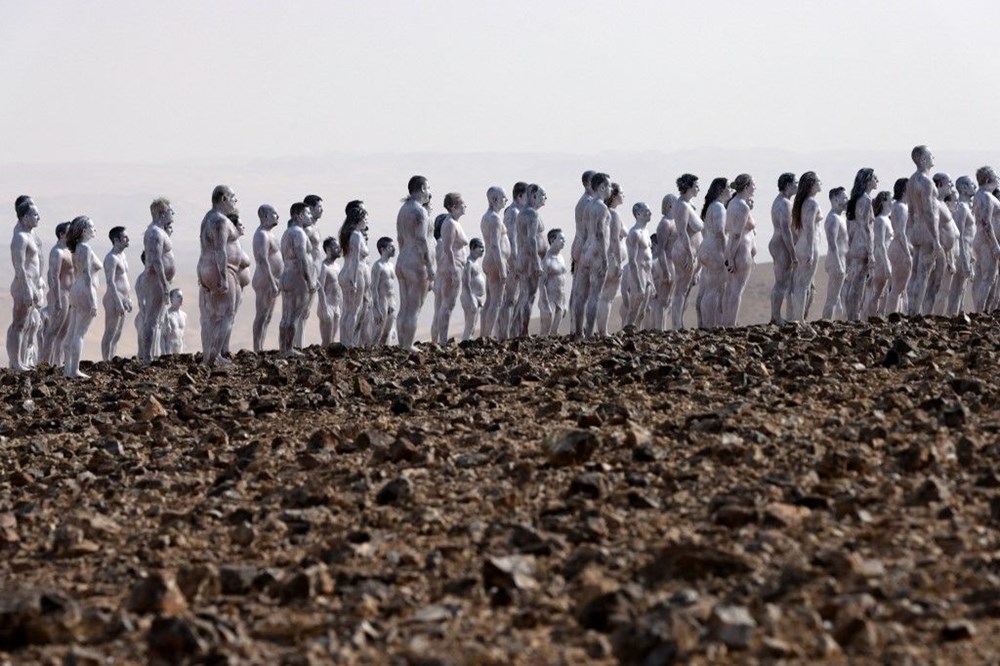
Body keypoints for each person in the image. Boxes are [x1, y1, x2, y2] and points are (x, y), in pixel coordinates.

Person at [197, 185, 244, 366]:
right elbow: (220, 250)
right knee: (226, 314)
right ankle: (213, 357)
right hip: (219, 270)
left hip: (206, 269)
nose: (235, 201)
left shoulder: (208, 218)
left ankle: (210, 355)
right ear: (223, 199)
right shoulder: (220, 221)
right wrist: (224, 277)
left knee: (212, 315)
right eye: (233, 197)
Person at [396, 176, 434, 350]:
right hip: (416, 262)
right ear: (422, 188)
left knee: (404, 307)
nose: (429, 192)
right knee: (414, 308)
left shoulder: (403, 209)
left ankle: (403, 343)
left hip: (403, 259)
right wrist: (429, 266)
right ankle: (408, 344)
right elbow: (422, 239)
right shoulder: (420, 211)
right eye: (428, 188)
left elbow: (400, 238)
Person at [7, 198, 44, 370]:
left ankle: (21, 360)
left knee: (27, 324)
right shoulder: (20, 237)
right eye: (34, 215)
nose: (38, 218)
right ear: (24, 217)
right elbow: (20, 265)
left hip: (31, 286)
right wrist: (28, 288)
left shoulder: (29, 235)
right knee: (19, 325)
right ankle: (16, 362)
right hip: (23, 286)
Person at [63, 216, 101, 379]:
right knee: (79, 333)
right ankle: (74, 370)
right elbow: (87, 275)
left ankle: (68, 370)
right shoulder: (85, 248)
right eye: (92, 227)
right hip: (85, 290)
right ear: (84, 231)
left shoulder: (77, 248)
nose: (95, 230)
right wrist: (93, 301)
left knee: (72, 332)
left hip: (76, 290)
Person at [905, 146, 942, 316]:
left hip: (916, 230)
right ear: (923, 159)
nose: (933, 156)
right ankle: (915, 313)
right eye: (930, 154)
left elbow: (911, 210)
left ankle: (911, 309)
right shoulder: (926, 181)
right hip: (927, 230)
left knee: (915, 274)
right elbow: (930, 211)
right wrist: (936, 238)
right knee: (923, 274)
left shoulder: (912, 180)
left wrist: (911, 229)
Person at [138, 198, 175, 364]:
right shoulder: (154, 233)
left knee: (155, 319)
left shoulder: (160, 231)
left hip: (160, 280)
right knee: (151, 320)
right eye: (169, 210)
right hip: (155, 280)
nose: (171, 213)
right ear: (161, 213)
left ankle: (150, 355)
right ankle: (147, 357)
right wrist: (164, 283)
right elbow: (156, 260)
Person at [278, 202, 316, 356]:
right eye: (308, 213)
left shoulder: (287, 233)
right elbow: (302, 258)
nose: (310, 216)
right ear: (300, 215)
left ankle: (284, 348)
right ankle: (288, 348)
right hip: (297, 277)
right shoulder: (299, 233)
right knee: (294, 316)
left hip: (287, 275)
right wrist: (309, 279)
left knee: (286, 315)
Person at [720, 174, 757, 327]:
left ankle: (727, 322)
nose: (755, 188)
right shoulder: (742, 206)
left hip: (733, 249)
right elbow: (736, 234)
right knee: (737, 290)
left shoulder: (733, 203)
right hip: (741, 250)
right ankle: (731, 323)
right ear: (747, 186)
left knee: (731, 289)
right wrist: (731, 258)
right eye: (753, 185)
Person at [433, 193, 470, 344]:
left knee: (446, 305)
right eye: (462, 203)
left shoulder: (454, 223)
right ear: (454, 207)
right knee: (447, 305)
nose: (465, 206)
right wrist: (454, 271)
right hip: (452, 268)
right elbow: (447, 249)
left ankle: (441, 339)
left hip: (454, 267)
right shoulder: (449, 224)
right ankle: (442, 341)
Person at [511, 185, 547, 338]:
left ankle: (518, 329)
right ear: (533, 196)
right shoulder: (532, 214)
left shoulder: (522, 214)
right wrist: (537, 261)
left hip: (523, 258)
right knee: (529, 297)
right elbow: (532, 239)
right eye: (542, 195)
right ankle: (523, 330)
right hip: (530, 259)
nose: (545, 198)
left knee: (524, 296)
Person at [843, 168, 878, 321]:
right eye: (874, 178)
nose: (877, 180)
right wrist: (871, 252)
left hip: (855, 245)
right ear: (867, 181)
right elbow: (866, 227)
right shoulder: (866, 200)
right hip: (862, 246)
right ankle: (854, 316)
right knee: (858, 284)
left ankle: (853, 315)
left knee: (855, 283)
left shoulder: (857, 199)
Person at [670, 174, 703, 330]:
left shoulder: (688, 204)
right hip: (685, 251)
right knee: (681, 290)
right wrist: (690, 254)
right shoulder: (682, 205)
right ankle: (676, 325)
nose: (698, 189)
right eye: (696, 186)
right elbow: (682, 232)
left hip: (691, 252)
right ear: (689, 187)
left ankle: (680, 322)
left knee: (687, 289)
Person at [696, 178, 731, 328]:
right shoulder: (719, 208)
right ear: (722, 190)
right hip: (714, 250)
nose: (731, 190)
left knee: (709, 289)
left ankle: (707, 323)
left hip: (706, 248)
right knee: (713, 289)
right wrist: (726, 254)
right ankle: (709, 325)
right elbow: (720, 233)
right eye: (729, 187)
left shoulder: (711, 206)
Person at [581, 173, 612, 337]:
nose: (611, 189)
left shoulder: (589, 206)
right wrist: (605, 259)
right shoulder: (601, 207)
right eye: (609, 186)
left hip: (588, 249)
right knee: (595, 294)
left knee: (592, 293)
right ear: (602, 187)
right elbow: (600, 234)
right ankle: (590, 332)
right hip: (598, 252)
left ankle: (589, 330)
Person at [790, 172, 822, 321]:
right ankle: (799, 319)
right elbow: (809, 227)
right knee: (804, 284)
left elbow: (796, 227)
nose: (820, 183)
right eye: (818, 181)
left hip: (803, 244)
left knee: (801, 283)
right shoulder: (811, 203)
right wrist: (810, 250)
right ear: (811, 185)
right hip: (809, 246)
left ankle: (798, 317)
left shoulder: (803, 203)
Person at [338, 205, 373, 347]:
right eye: (365, 218)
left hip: (345, 272)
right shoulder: (357, 235)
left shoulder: (346, 234)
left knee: (347, 310)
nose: (366, 221)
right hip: (355, 272)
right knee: (354, 310)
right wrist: (354, 280)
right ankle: (349, 341)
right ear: (358, 219)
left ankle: (345, 340)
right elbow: (356, 259)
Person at [40, 221, 72, 366]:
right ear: (62, 234)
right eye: (69, 232)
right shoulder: (57, 252)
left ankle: (57, 364)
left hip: (70, 295)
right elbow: (54, 276)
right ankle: (44, 363)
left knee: (63, 333)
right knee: (53, 332)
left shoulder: (69, 251)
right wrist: (57, 299)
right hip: (61, 294)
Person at [497, 182, 526, 340]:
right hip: (513, 262)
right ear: (520, 196)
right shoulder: (514, 213)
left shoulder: (517, 212)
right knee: (509, 300)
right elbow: (512, 241)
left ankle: (513, 333)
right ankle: (505, 335)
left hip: (517, 261)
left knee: (515, 300)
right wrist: (515, 263)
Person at [251, 204, 283, 352]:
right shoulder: (262, 235)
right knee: (262, 315)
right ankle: (257, 348)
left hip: (273, 280)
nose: (277, 216)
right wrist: (271, 281)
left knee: (268, 316)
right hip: (265, 279)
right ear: (264, 216)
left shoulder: (270, 234)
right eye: (274, 213)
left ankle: (261, 346)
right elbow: (263, 260)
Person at [595, 183, 626, 335]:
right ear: (614, 196)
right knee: (607, 297)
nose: (623, 195)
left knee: (605, 296)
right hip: (613, 258)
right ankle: (603, 330)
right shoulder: (613, 214)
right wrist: (619, 263)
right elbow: (614, 239)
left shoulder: (608, 212)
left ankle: (602, 329)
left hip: (608, 256)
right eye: (621, 193)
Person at [479, 187, 509, 338]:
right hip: (496, 262)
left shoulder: (486, 217)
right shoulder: (495, 219)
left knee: (489, 301)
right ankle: (487, 335)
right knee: (496, 302)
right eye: (503, 197)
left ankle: (484, 334)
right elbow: (495, 244)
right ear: (494, 199)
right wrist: (502, 268)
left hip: (490, 261)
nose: (506, 200)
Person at [927, 176, 959, 315]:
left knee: (942, 289)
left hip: (947, 253)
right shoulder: (934, 204)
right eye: (949, 183)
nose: (951, 185)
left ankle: (937, 316)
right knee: (935, 288)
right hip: (939, 252)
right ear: (939, 184)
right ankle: (928, 316)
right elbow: (935, 230)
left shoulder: (942, 204)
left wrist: (951, 258)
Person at [769, 173, 798, 323]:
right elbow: (786, 230)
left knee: (781, 282)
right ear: (788, 185)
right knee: (781, 282)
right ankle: (776, 317)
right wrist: (793, 254)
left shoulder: (781, 201)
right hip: (781, 244)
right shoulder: (785, 203)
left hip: (778, 243)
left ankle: (776, 315)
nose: (797, 186)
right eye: (795, 183)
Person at [569, 171, 596, 334]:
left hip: (582, 246)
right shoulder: (587, 202)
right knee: (582, 292)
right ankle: (577, 329)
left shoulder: (588, 201)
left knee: (582, 291)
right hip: (584, 247)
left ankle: (578, 327)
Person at [101, 226, 132, 361]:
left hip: (123, 298)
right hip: (113, 298)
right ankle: (106, 360)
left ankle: (112, 358)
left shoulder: (122, 256)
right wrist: (118, 301)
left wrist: (128, 298)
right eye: (124, 237)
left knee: (117, 333)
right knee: (110, 331)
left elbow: (124, 279)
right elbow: (110, 282)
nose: (127, 239)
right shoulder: (111, 258)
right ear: (116, 240)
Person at [972, 167, 1000, 312]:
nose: (998, 181)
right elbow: (986, 222)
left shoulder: (980, 195)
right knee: (988, 278)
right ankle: (980, 311)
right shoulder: (986, 196)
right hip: (986, 241)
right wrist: (995, 245)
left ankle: (983, 310)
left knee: (985, 277)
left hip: (982, 240)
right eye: (996, 178)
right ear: (988, 180)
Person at [622, 202, 654, 328]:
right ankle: (627, 331)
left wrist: (650, 280)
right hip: (638, 273)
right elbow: (632, 260)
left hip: (647, 272)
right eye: (647, 211)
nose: (650, 213)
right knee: (634, 307)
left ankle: (637, 333)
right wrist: (638, 282)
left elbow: (649, 257)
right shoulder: (634, 233)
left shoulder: (645, 231)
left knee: (643, 310)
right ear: (638, 214)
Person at [948, 176, 976, 315]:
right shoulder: (962, 208)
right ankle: (952, 317)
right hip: (961, 252)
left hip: (967, 252)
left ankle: (957, 315)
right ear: (963, 188)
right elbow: (959, 235)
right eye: (972, 184)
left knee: (962, 289)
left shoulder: (967, 208)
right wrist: (964, 260)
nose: (975, 186)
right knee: (957, 289)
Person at [863, 191, 894, 317]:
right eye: (890, 200)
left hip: (887, 258)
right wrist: (886, 264)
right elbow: (880, 243)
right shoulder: (880, 220)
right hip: (881, 259)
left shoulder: (886, 219)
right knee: (877, 292)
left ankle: (879, 316)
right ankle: (870, 317)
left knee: (884, 293)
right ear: (883, 202)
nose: (893, 202)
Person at [822, 188, 849, 320]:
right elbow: (832, 242)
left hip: (842, 259)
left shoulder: (840, 217)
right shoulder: (833, 218)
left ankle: (836, 322)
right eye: (844, 198)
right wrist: (838, 262)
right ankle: (826, 322)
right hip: (836, 261)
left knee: (838, 297)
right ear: (835, 199)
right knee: (832, 297)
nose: (846, 201)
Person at [652, 194, 678, 330]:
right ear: (670, 205)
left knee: (668, 300)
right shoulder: (665, 223)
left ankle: (663, 327)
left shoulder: (674, 222)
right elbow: (661, 249)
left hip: (673, 262)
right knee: (662, 299)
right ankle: (659, 329)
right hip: (666, 263)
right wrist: (665, 270)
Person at [886, 178, 911, 314]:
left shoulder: (898, 206)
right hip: (899, 248)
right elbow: (901, 233)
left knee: (900, 288)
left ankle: (898, 314)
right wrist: (908, 253)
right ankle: (893, 315)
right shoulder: (901, 207)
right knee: (898, 287)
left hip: (896, 247)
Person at [539, 229, 568, 336]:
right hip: (549, 299)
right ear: (552, 240)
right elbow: (541, 284)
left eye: (564, 240)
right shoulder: (547, 260)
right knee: (545, 331)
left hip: (560, 298)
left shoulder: (561, 258)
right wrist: (545, 303)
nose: (563, 242)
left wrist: (564, 302)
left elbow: (563, 281)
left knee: (555, 331)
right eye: (561, 239)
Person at [370, 236, 398, 345]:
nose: (394, 249)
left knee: (387, 332)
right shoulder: (378, 266)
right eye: (391, 247)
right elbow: (373, 287)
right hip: (382, 301)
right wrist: (376, 309)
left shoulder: (391, 265)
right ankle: (369, 355)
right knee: (378, 332)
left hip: (392, 301)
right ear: (383, 249)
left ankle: (380, 357)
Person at [317, 237, 343, 346]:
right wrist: (324, 308)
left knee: (333, 339)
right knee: (327, 341)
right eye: (335, 247)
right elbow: (320, 287)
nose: (339, 249)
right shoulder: (324, 267)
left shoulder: (337, 266)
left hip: (337, 306)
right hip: (327, 306)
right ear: (328, 249)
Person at [461, 238, 486, 340]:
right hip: (469, 296)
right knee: (470, 322)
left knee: (474, 322)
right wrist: (472, 298)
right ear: (472, 248)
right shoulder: (469, 263)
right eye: (480, 247)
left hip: (476, 297)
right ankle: (465, 340)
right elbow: (466, 283)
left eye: (483, 247)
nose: (482, 250)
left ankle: (469, 339)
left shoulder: (476, 262)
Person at [161, 288, 186, 354]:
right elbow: (162, 337)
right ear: (171, 299)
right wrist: (163, 355)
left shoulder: (184, 315)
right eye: (178, 296)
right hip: (169, 352)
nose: (181, 298)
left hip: (180, 352)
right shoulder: (167, 315)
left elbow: (182, 336)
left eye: (182, 296)